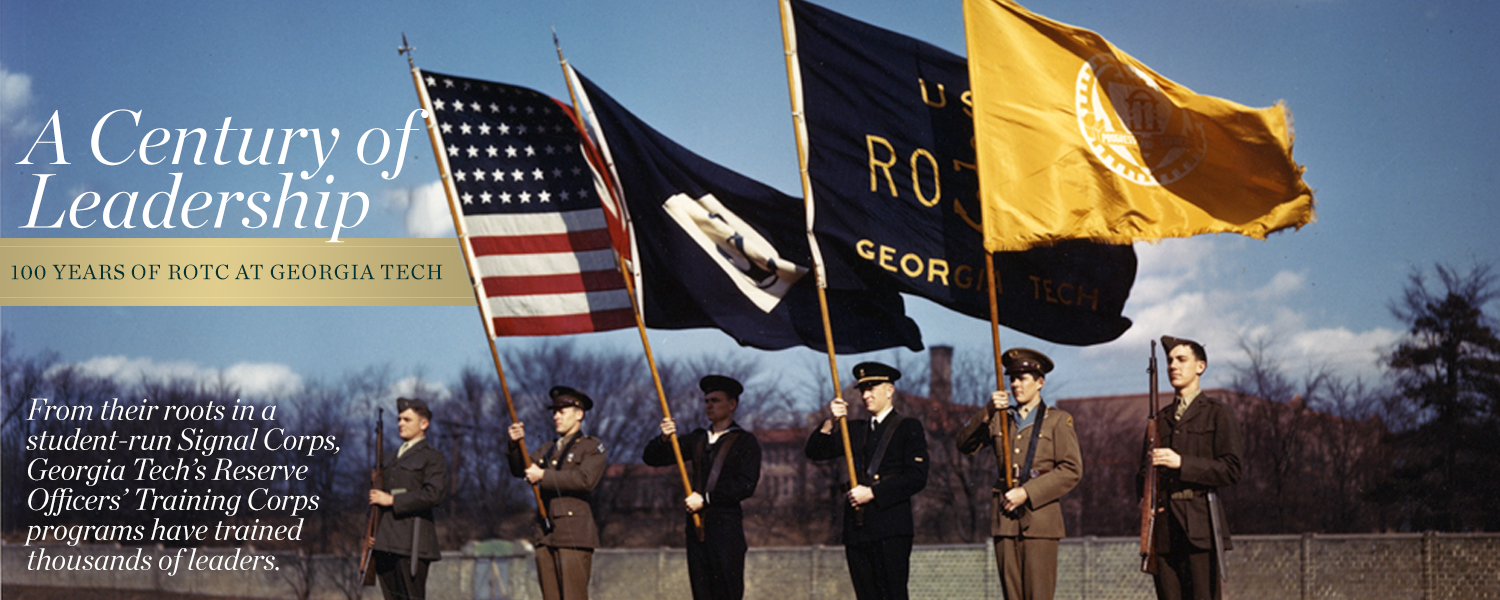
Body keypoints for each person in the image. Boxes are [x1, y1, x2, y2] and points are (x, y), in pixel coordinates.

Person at [957, 348, 1082, 600]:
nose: (1015, 384)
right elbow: (964, 444)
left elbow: (1071, 469)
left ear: (1040, 382)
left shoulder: (1057, 420)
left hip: (1040, 521)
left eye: (1023, 378)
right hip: (1005, 520)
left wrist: (1027, 492)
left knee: (1038, 595)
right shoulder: (1000, 419)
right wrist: (988, 410)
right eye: (1012, 378)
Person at [805, 362, 928, 600]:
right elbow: (815, 451)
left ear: (889, 390)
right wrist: (830, 420)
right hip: (858, 528)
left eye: (872, 388)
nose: (865, 395)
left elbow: (916, 477)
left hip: (891, 526)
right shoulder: (854, 429)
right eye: (862, 390)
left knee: (892, 594)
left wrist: (874, 493)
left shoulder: (907, 427)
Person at [1139, 336, 1243, 600]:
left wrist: (1182, 463)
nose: (1173, 365)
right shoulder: (1158, 419)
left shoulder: (1218, 413)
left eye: (1181, 359)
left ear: (1200, 366)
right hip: (1163, 532)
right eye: (1170, 361)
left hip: (1200, 527)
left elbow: (1231, 469)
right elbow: (1141, 478)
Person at [643, 375, 763, 600]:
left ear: (732, 404)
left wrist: (706, 499)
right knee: (701, 594)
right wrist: (663, 438)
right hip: (696, 529)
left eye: (715, 400)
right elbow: (652, 458)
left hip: (726, 528)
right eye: (706, 401)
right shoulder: (697, 439)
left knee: (727, 592)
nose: (709, 405)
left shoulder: (745, 441)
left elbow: (746, 484)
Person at [508, 386, 607, 600]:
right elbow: (521, 469)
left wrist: (543, 476)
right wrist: (516, 444)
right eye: (554, 412)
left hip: (574, 533)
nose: (556, 417)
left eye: (562, 411)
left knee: (573, 596)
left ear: (579, 414)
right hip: (546, 533)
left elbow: (585, 480)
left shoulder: (592, 447)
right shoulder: (548, 449)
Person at [368, 397, 447, 600]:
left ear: (424, 424)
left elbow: (433, 494)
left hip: (412, 542)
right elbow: (376, 500)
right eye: (399, 419)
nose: (400, 424)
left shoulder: (432, 457)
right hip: (384, 542)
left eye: (407, 419)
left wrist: (393, 500)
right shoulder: (388, 459)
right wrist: (369, 534)